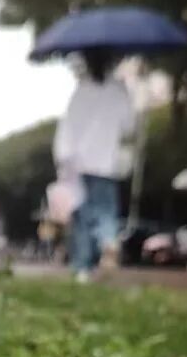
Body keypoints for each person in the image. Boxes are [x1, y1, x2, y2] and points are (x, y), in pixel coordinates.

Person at [52, 49, 137, 282]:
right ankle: (109, 241)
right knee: (106, 209)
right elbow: (129, 126)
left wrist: (62, 160)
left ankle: (82, 269)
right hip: (107, 161)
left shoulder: (80, 91)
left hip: (78, 164)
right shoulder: (119, 90)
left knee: (82, 216)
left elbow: (67, 128)